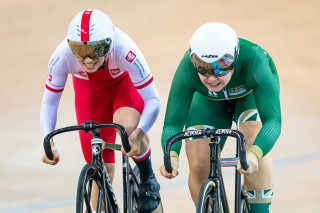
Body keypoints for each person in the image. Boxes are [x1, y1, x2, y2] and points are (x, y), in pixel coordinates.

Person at [40, 9, 161, 212]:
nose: (88, 60)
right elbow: (49, 103)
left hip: (123, 84)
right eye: (80, 51)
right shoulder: (62, 55)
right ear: (70, 46)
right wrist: (48, 141)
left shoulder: (124, 49)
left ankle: (147, 176)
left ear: (109, 43)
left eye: (96, 50)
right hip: (90, 91)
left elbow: (153, 100)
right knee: (100, 167)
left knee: (128, 127)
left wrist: (138, 135)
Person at [160, 22, 281, 212]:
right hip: (208, 99)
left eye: (221, 67)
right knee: (199, 163)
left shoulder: (254, 60)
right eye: (203, 68)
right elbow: (173, 124)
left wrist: (254, 154)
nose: (212, 78)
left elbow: (273, 121)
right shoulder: (187, 66)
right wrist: (172, 156)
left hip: (249, 95)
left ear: (234, 58)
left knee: (252, 140)